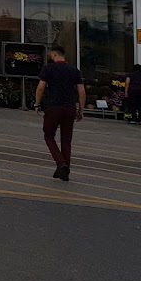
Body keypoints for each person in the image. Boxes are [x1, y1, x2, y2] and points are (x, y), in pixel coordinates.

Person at [35, 46, 85, 181]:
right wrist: (81, 109)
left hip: (53, 107)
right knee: (66, 140)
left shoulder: (48, 69)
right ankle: (64, 171)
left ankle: (61, 163)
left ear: (54, 55)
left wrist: (37, 104)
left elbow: (40, 88)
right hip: (69, 108)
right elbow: (81, 91)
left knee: (49, 135)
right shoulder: (74, 70)